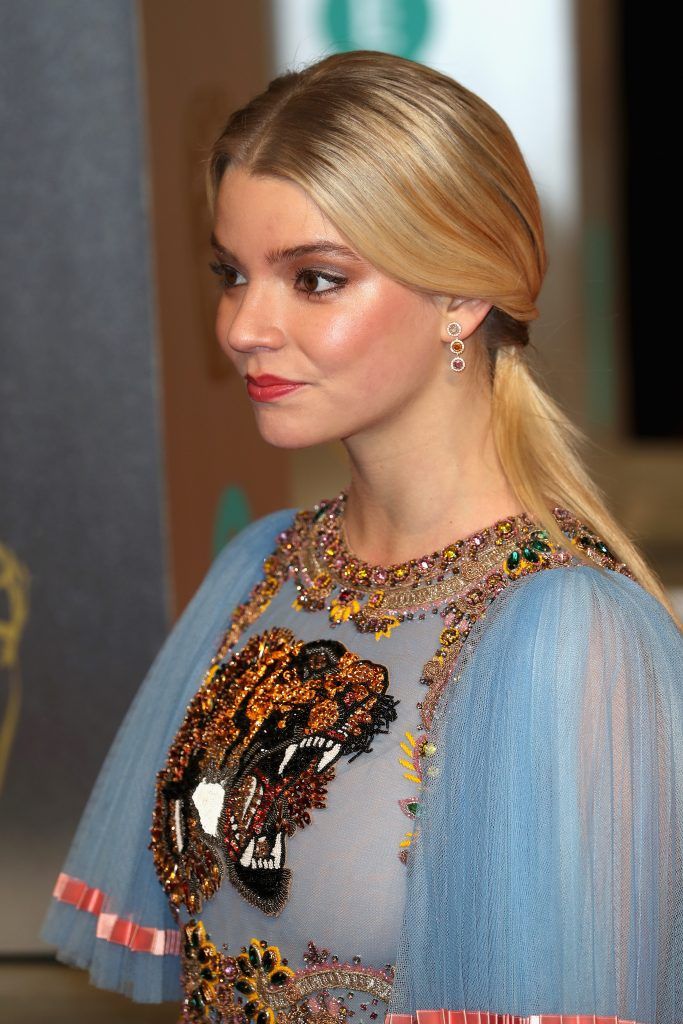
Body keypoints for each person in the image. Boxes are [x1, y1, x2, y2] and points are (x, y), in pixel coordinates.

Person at [42, 49, 682, 1024]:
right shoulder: (261, 567)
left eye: (313, 278)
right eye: (231, 274)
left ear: (461, 296)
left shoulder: (565, 635)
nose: (243, 326)